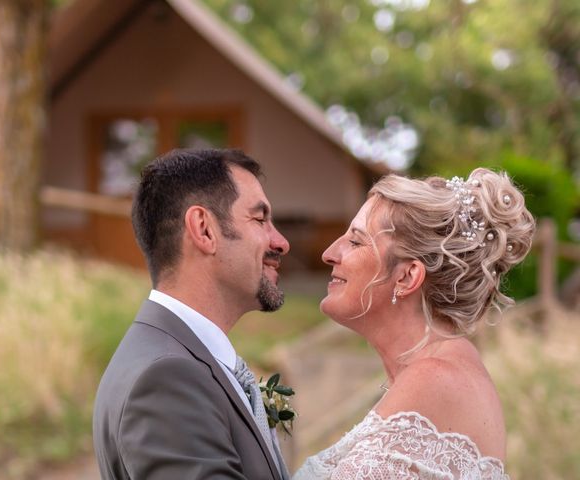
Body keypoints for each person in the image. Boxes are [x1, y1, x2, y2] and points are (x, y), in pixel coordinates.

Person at [294, 168, 535, 479]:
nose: (329, 254)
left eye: (355, 241)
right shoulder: (442, 369)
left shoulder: (436, 379)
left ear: (407, 277)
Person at [93, 148, 291, 479]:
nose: (281, 242)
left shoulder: (181, 359)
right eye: (260, 219)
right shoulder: (166, 379)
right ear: (204, 229)